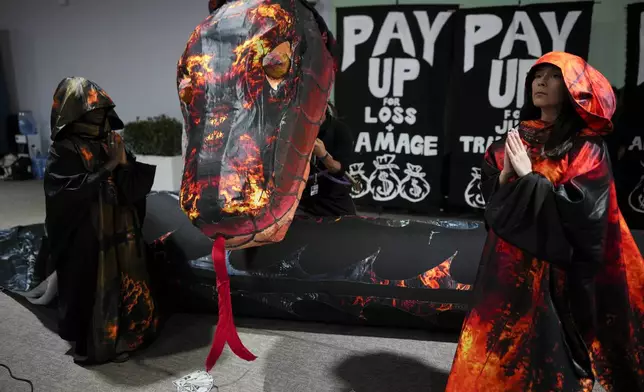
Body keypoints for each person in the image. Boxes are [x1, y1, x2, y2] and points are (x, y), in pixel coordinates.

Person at [445, 52, 644, 392]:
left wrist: (529, 178)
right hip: (508, 265)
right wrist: (506, 175)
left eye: (553, 76)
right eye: (537, 75)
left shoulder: (586, 147)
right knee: (500, 344)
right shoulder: (517, 137)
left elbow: (587, 213)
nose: (540, 82)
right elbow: (494, 201)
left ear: (573, 90)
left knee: (550, 350)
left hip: (556, 273)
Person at [45, 77, 159, 365]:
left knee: (128, 281)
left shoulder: (110, 140)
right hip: (88, 233)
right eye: (91, 113)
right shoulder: (65, 148)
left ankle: (128, 336)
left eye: (101, 112)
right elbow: (66, 194)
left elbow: (131, 183)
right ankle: (96, 343)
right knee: (90, 285)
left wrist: (121, 164)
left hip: (121, 230)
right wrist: (109, 165)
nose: (99, 118)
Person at [297, 102, 357, 217]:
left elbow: (339, 170)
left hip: (333, 202)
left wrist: (323, 155)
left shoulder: (340, 130)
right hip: (302, 202)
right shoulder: (296, 130)